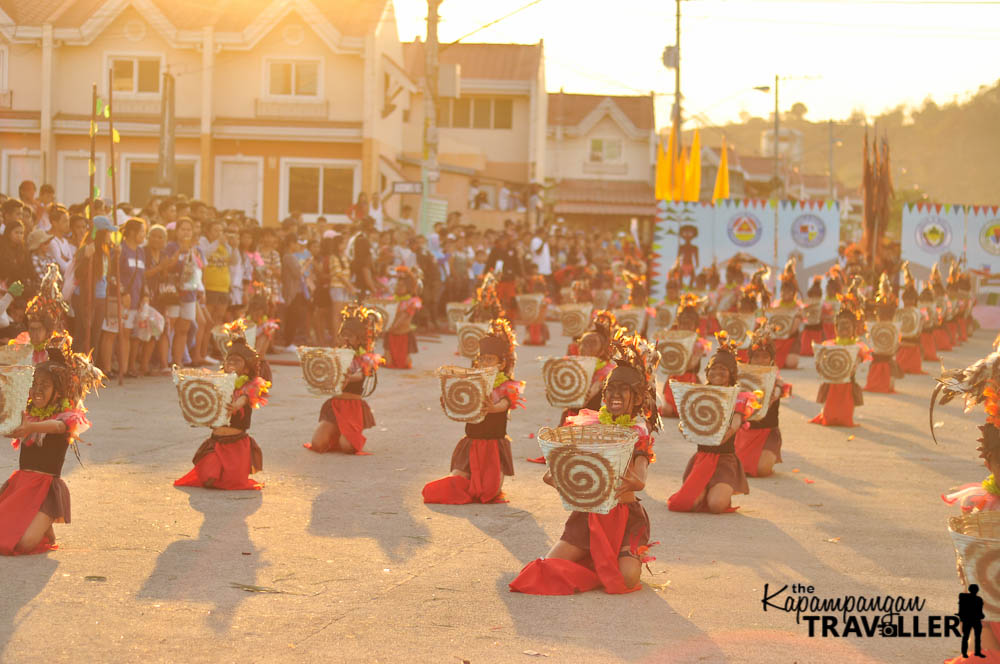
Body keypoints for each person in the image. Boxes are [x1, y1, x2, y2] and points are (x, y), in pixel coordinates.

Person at [509, 333, 660, 594]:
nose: (613, 395)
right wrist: (557, 476)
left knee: (626, 579)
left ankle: (611, 560)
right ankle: (597, 562)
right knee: (547, 567)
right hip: (588, 516)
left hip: (624, 519)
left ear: (637, 399)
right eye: (609, 390)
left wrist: (637, 479)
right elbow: (569, 464)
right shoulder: (592, 427)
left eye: (622, 391)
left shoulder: (638, 431)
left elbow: (641, 472)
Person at [0, 334, 104, 554]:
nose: (37, 390)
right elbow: (14, 429)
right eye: (35, 384)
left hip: (45, 490)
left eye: (44, 385)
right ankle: (40, 526)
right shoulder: (29, 415)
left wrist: (30, 428)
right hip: (21, 486)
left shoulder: (67, 417)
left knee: (24, 544)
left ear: (58, 392)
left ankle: (43, 524)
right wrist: (11, 428)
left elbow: (56, 428)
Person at [422, 318, 524, 505]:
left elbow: (504, 405)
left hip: (493, 445)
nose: (485, 363)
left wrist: (493, 408)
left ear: (501, 364)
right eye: (482, 359)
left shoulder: (508, 386)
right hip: (472, 442)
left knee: (489, 492)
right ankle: (461, 480)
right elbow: (461, 408)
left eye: (490, 359)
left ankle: (480, 483)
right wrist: (450, 401)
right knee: (458, 479)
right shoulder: (471, 383)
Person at [667, 332, 760, 513]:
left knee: (716, 506)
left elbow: (734, 426)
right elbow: (685, 421)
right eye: (714, 369)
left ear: (731, 374)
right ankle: (705, 488)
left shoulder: (738, 397)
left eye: (723, 370)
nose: (718, 372)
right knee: (689, 504)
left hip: (724, 459)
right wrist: (686, 429)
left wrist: (714, 436)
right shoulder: (700, 394)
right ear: (707, 372)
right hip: (702, 457)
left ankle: (720, 488)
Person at [174, 323, 269, 490]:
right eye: (229, 360)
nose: (231, 363)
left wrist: (236, 404)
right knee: (209, 479)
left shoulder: (250, 386)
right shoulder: (217, 382)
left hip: (237, 445)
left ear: (246, 367)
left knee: (232, 483)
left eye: (237, 361)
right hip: (216, 443)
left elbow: (245, 399)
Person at [304, 305, 383, 455]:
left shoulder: (366, 358)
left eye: (350, 336)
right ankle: (337, 431)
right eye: (342, 335)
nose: (345, 339)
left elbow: (360, 375)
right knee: (318, 444)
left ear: (359, 339)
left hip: (352, 407)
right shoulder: (336, 355)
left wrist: (343, 376)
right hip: (336, 405)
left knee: (347, 447)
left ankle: (346, 434)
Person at [809, 284, 871, 428]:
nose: (844, 329)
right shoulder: (829, 344)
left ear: (854, 329)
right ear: (836, 328)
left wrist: (856, 358)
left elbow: (861, 359)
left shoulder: (858, 346)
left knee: (844, 419)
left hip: (847, 383)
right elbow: (821, 362)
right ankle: (827, 412)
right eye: (841, 326)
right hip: (831, 382)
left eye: (848, 326)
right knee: (829, 418)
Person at [734, 329, 789, 477]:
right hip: (745, 433)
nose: (760, 361)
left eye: (765, 357)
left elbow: (779, 388)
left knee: (762, 470)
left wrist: (775, 392)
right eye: (756, 356)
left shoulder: (776, 378)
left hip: (767, 433)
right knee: (738, 468)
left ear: (771, 359)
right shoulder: (741, 378)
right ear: (750, 358)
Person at [660, 295, 710, 418]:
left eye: (689, 325)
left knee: (689, 411)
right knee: (666, 410)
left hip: (689, 380)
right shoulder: (673, 340)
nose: (685, 327)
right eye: (683, 324)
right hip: (674, 379)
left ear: (695, 326)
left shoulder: (698, 344)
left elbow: (691, 365)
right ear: (678, 324)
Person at [864, 273, 903, 393]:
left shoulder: (893, 327)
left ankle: (886, 383)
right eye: (881, 312)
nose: (883, 315)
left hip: (887, 356)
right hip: (879, 355)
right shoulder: (875, 326)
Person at [384, 267, 422, 370]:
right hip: (391, 331)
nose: (398, 287)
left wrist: (394, 325)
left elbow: (405, 315)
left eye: (401, 286)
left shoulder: (412, 301)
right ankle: (388, 358)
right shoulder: (392, 300)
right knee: (388, 357)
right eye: (397, 285)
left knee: (405, 363)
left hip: (403, 331)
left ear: (409, 288)